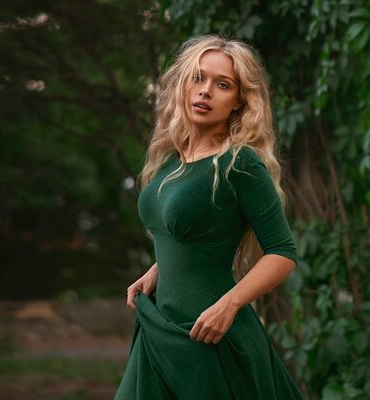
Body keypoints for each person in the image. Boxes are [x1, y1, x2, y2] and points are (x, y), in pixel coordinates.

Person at [114, 35, 304, 400]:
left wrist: (229, 305)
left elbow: (282, 252)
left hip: (209, 332)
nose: (205, 92)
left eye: (222, 85)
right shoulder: (170, 161)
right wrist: (158, 269)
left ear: (238, 102)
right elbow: (190, 235)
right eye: (198, 79)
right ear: (183, 86)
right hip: (160, 327)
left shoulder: (240, 163)